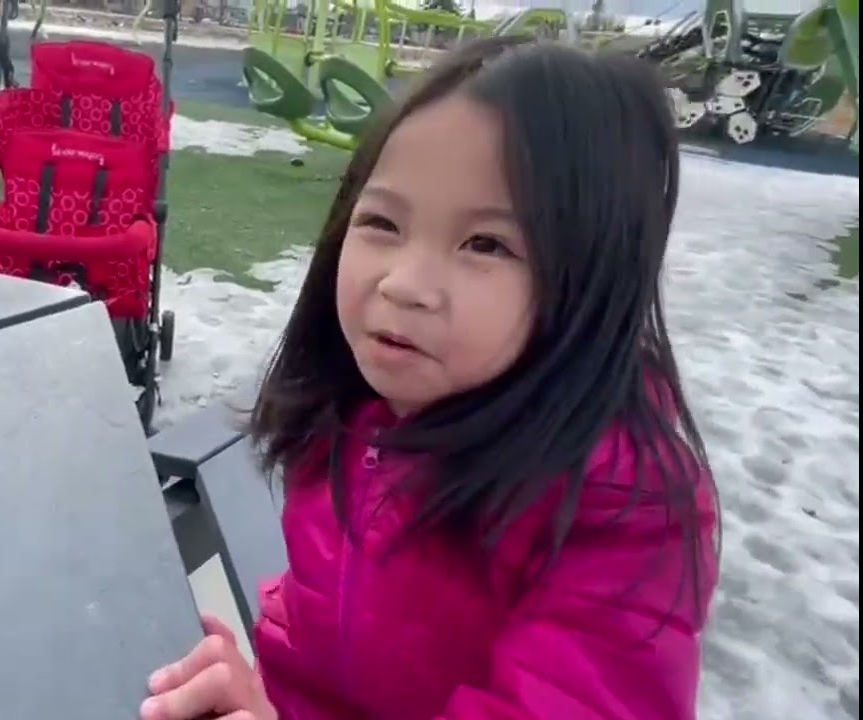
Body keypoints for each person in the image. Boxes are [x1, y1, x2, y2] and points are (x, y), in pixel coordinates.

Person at [140, 36, 721, 720]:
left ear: (592, 282)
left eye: (487, 244)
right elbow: (324, 647)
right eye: (383, 221)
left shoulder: (623, 511)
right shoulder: (361, 413)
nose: (405, 283)